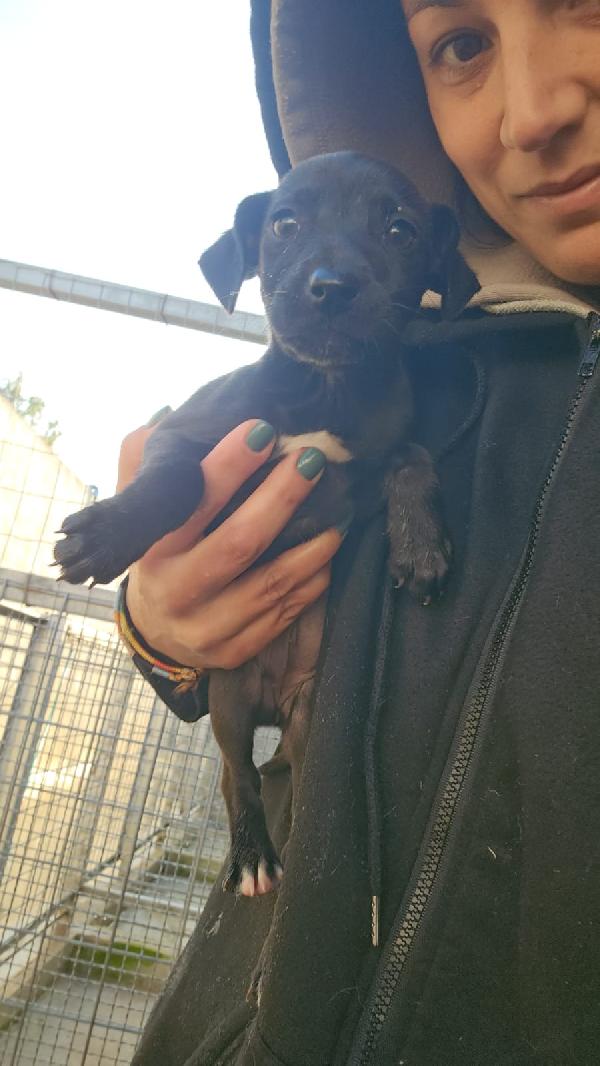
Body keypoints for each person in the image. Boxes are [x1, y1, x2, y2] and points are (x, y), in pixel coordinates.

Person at [126, 2, 600, 1062]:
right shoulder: (395, 366)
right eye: (460, 45)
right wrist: (162, 621)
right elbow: (236, 587)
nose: (533, 111)